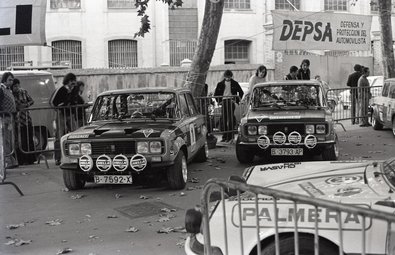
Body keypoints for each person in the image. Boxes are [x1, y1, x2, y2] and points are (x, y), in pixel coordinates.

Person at [51, 72, 77, 165]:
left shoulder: (74, 90)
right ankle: (58, 158)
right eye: (72, 82)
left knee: (75, 133)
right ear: (68, 81)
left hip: (70, 113)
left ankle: (75, 155)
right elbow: (52, 102)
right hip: (61, 114)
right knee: (59, 135)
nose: (73, 84)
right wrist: (59, 109)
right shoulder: (61, 89)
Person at [214, 70, 244, 142]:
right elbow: (216, 94)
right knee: (224, 119)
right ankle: (224, 137)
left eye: (229, 77)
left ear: (231, 76)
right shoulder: (220, 84)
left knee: (230, 119)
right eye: (227, 77)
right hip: (224, 101)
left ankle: (230, 136)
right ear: (224, 77)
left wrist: (236, 101)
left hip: (231, 101)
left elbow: (241, 92)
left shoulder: (234, 83)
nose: (228, 78)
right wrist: (219, 101)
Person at [11, 79, 36, 165]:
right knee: (20, 140)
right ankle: (22, 160)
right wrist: (17, 107)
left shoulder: (24, 92)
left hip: (26, 118)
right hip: (17, 120)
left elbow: (32, 101)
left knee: (29, 139)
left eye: (18, 86)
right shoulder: (10, 94)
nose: (17, 88)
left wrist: (26, 105)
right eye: (15, 86)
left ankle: (31, 159)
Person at [0, 72, 18, 168]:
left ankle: (10, 159)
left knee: (10, 140)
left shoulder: (8, 90)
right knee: (5, 140)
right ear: (4, 80)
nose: (11, 82)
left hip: (10, 117)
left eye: (12, 80)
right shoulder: (1, 89)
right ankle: (7, 161)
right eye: (9, 80)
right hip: (5, 117)